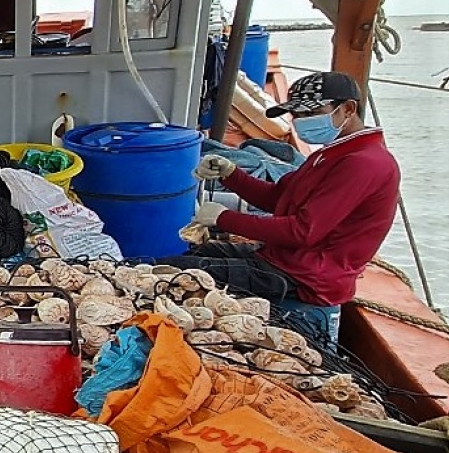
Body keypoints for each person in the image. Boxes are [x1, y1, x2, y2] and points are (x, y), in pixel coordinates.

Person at [159, 71, 400, 308]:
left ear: (348, 108)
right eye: (297, 115)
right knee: (194, 253)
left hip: (306, 277)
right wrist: (231, 174)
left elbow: (302, 231)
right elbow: (278, 198)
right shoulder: (333, 153)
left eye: (311, 113)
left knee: (173, 271)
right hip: (283, 258)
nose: (302, 121)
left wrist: (224, 218)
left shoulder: (363, 164)